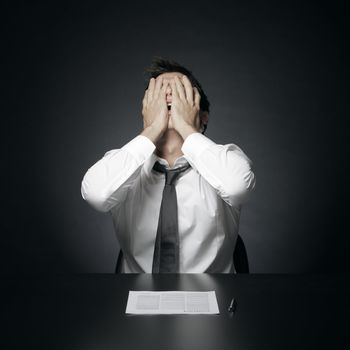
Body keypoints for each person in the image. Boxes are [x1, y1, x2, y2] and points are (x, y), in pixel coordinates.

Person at [81, 57, 256, 273]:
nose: (168, 95)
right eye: (159, 91)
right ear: (146, 109)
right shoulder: (124, 164)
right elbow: (96, 193)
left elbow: (236, 187)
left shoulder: (225, 160)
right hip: (136, 299)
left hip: (210, 300)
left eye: (182, 91)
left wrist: (186, 126)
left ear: (203, 117)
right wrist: (152, 129)